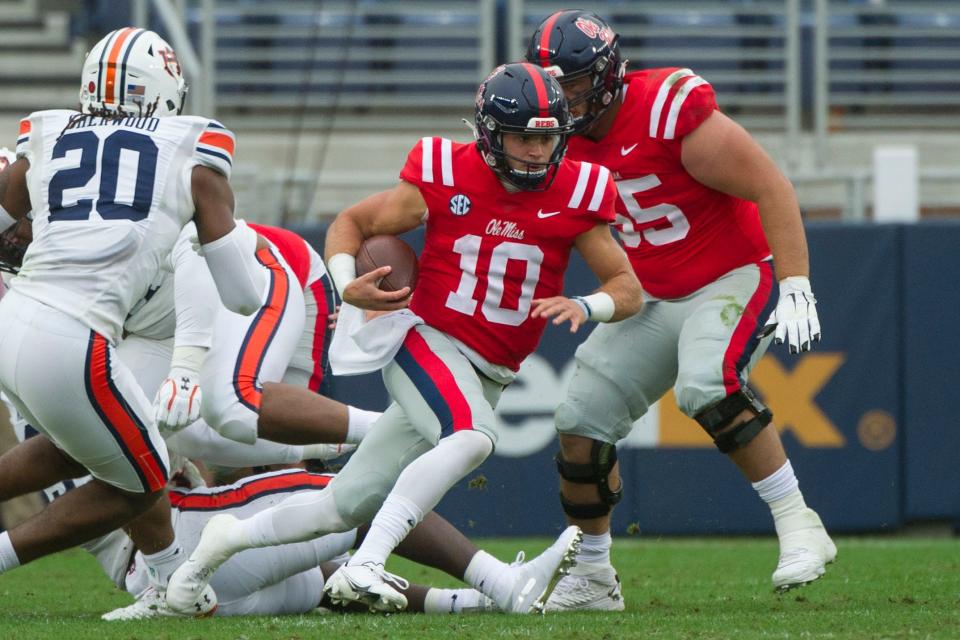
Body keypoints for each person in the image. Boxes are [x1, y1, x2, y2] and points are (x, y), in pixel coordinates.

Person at [166, 62, 644, 615]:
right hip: (428, 341)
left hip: (491, 369)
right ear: (489, 135)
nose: (537, 151)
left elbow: (627, 289)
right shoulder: (445, 171)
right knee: (473, 437)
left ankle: (213, 548)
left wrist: (585, 304)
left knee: (339, 507)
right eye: (523, 137)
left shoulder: (580, 191)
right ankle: (368, 564)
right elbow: (351, 223)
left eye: (546, 137)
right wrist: (348, 287)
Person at [524, 10, 836, 609]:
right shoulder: (548, 137)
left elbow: (772, 186)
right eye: (553, 85)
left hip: (732, 274)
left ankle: (799, 523)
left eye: (574, 82)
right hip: (652, 291)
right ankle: (593, 575)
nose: (562, 98)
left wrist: (796, 282)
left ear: (607, 74)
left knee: (706, 384)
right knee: (578, 420)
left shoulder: (668, 111)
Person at [0, 27, 268, 616]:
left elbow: (5, 211)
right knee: (141, 481)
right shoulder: (195, 154)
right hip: (73, 339)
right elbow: (245, 299)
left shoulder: (46, 138)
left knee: (86, 448)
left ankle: (172, 589)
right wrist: (205, 235)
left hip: (14, 320)